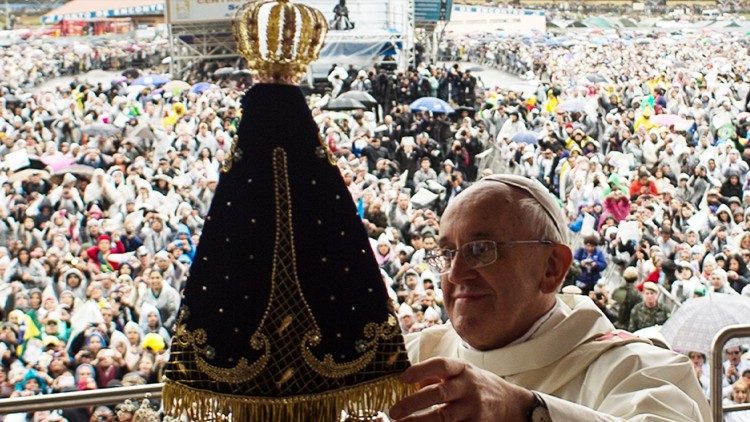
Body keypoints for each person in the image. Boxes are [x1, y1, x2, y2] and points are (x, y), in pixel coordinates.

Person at [393, 174, 709, 421]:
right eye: (448, 253)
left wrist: (524, 412)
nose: (456, 273)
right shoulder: (412, 358)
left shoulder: (639, 369)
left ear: (551, 268)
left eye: (481, 249)